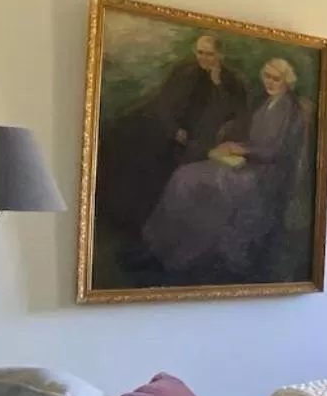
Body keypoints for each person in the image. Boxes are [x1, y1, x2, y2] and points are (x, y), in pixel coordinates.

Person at [142, 57, 309, 281]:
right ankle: (161, 243)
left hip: (264, 174)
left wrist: (240, 150)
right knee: (184, 175)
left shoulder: (289, 109)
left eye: (276, 78)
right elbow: (251, 136)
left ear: (287, 81)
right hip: (247, 163)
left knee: (197, 181)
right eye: (267, 77)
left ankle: (182, 252)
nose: (270, 82)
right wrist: (232, 145)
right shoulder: (266, 102)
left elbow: (273, 152)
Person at [97, 32, 250, 237]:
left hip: (200, 139)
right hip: (170, 129)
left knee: (168, 167)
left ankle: (156, 230)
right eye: (200, 53)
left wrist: (217, 83)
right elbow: (164, 103)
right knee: (128, 142)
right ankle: (124, 221)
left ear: (220, 55)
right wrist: (174, 129)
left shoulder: (231, 82)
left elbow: (231, 115)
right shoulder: (184, 71)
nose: (204, 58)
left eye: (210, 54)